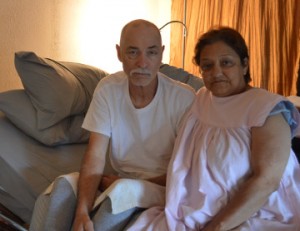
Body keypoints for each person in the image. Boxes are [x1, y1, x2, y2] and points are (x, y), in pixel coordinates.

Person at [29, 19, 196, 231]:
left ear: (161, 53)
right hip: (119, 183)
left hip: (162, 187)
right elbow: (95, 156)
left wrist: (122, 183)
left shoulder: (184, 98)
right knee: (61, 188)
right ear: (119, 53)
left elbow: (186, 171)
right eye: (133, 52)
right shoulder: (108, 89)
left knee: (120, 194)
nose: (142, 63)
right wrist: (81, 212)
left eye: (151, 53)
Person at [127, 26, 300, 230]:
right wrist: (138, 182)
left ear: (244, 65)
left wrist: (214, 228)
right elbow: (188, 167)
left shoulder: (267, 108)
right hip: (196, 210)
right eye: (207, 66)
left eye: (226, 63)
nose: (216, 72)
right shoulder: (202, 100)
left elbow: (266, 182)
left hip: (257, 213)